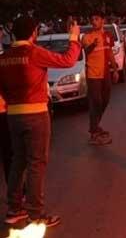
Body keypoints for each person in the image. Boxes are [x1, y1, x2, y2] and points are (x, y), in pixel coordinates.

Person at [0, 15, 81, 227]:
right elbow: (68, 61)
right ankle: (35, 213)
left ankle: (13, 209)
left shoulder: (4, 57)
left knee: (18, 161)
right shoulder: (34, 52)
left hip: (13, 116)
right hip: (36, 114)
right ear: (34, 32)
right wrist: (74, 38)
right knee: (36, 163)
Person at [82, 12, 118, 146]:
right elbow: (86, 51)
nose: (94, 21)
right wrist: (93, 45)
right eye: (92, 19)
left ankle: (95, 126)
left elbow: (110, 53)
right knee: (96, 102)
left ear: (103, 20)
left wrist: (114, 70)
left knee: (105, 100)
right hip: (93, 75)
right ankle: (94, 131)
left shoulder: (107, 36)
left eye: (96, 19)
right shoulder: (87, 37)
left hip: (105, 74)